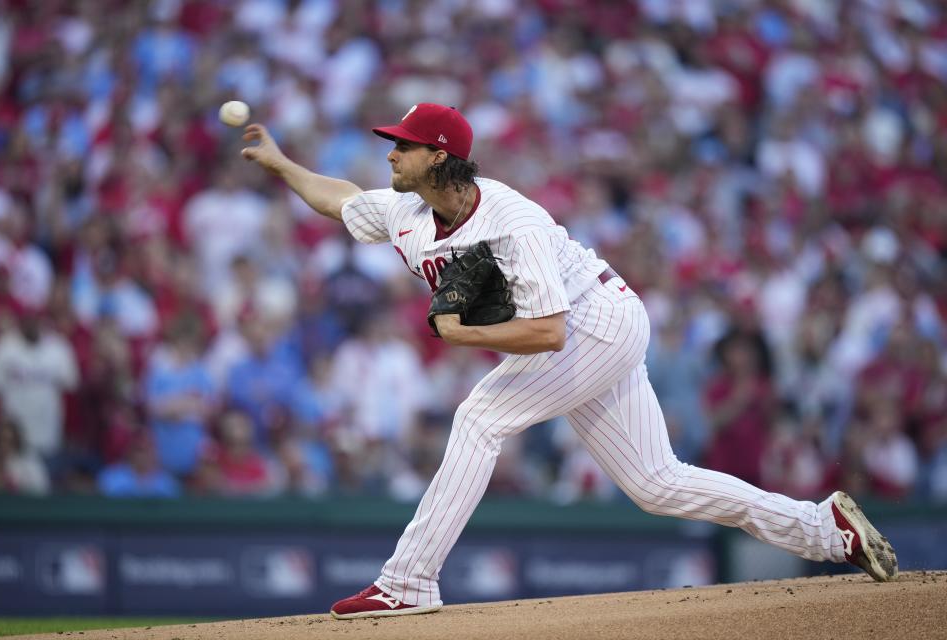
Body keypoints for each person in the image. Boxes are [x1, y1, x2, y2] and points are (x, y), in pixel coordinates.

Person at [240, 103, 898, 620]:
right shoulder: (410, 210)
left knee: (478, 418)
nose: (392, 151)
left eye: (404, 144)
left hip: (595, 318)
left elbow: (549, 333)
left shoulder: (509, 220)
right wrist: (281, 165)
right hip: (585, 330)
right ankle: (824, 529)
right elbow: (342, 199)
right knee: (657, 483)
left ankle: (407, 583)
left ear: (440, 157)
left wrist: (459, 336)